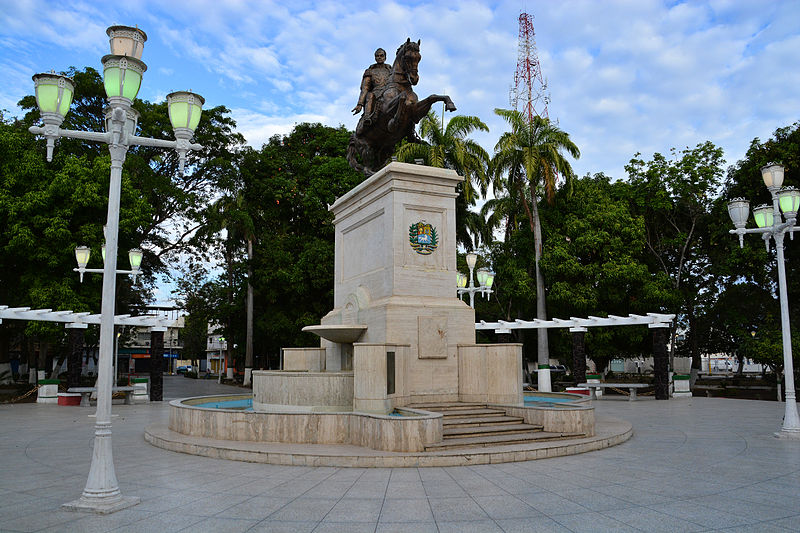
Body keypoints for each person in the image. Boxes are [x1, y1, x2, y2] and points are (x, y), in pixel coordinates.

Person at [352, 48, 392, 129]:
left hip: (389, 93)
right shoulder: (370, 71)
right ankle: (367, 117)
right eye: (377, 56)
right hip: (376, 94)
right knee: (370, 95)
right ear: (375, 58)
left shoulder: (390, 70)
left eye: (381, 55)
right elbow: (365, 88)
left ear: (385, 57)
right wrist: (360, 104)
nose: (379, 57)